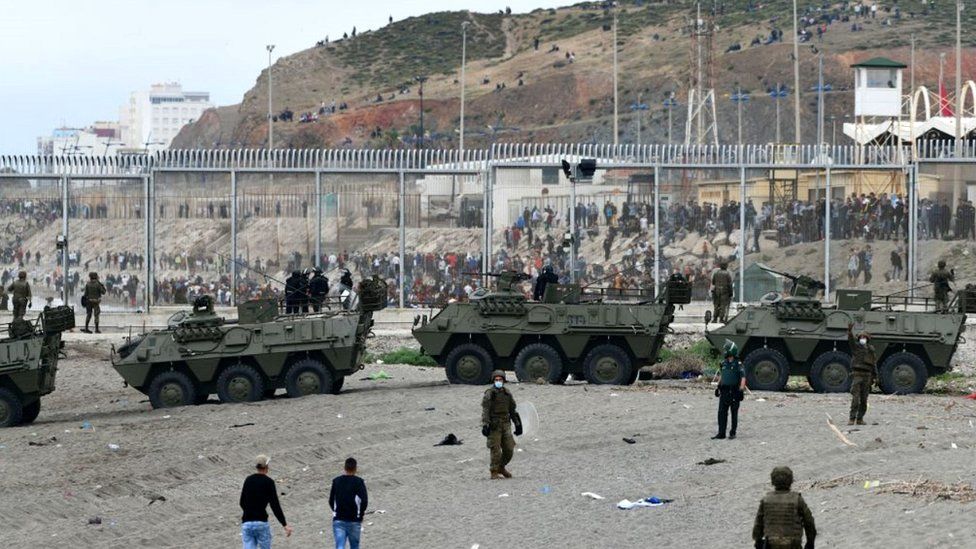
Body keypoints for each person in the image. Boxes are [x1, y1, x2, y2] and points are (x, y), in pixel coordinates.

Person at [752, 466, 816, 549]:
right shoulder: (797, 499)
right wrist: (810, 542)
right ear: (791, 480)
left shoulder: (766, 500)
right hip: (793, 544)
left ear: (772, 481)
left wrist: (758, 541)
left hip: (771, 544)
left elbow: (758, 524)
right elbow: (809, 523)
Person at [239, 455, 293, 549]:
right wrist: (284, 524)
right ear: (267, 467)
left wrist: (249, 511)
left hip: (247, 522)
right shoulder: (269, 482)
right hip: (261, 522)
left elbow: (242, 502)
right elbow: (275, 505)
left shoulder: (248, 480)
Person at [481, 370, 522, 479]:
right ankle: (494, 471)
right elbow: (485, 410)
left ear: (504, 381)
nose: (498, 381)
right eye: (496, 380)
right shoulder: (490, 393)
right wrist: (485, 425)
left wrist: (517, 424)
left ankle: (501, 467)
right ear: (493, 380)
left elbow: (512, 410)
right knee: (495, 449)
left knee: (509, 448)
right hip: (494, 425)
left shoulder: (507, 393)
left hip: (506, 424)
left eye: (500, 379)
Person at [329, 457, 368, 549]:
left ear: (345, 468)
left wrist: (335, 511)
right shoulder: (359, 482)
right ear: (355, 469)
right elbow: (364, 501)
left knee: (340, 546)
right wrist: (361, 515)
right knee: (354, 546)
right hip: (354, 520)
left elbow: (331, 500)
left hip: (339, 519)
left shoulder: (336, 481)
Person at [713, 346, 746, 440]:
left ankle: (732, 432)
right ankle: (721, 433)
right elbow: (722, 375)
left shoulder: (738, 364)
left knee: (733, 412)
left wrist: (741, 390)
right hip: (724, 390)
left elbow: (743, 377)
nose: (725, 352)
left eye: (726, 351)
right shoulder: (723, 363)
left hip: (734, 390)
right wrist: (718, 386)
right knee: (721, 412)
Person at [847, 322, 877, 425]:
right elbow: (850, 341)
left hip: (867, 376)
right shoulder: (856, 348)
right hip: (857, 375)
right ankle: (852, 418)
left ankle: (860, 419)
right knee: (855, 398)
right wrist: (849, 332)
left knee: (864, 400)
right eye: (861, 337)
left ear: (868, 339)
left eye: (864, 337)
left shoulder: (871, 350)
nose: (863, 338)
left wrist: (876, 376)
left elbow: (873, 364)